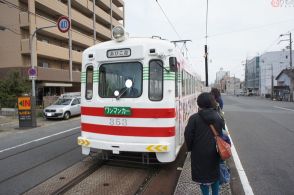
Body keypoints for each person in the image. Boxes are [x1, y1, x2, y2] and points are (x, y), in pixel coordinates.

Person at [184, 92, 225, 195]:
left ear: (199, 103)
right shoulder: (218, 116)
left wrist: (190, 148)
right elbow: (221, 134)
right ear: (212, 103)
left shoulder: (194, 118)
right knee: (215, 176)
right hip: (214, 152)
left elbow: (188, 135)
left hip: (199, 153)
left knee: (202, 178)